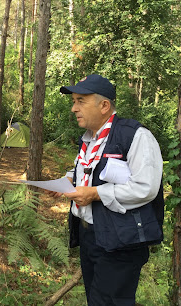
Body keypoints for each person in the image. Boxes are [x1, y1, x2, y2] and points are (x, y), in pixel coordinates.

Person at [49, 74, 164, 305]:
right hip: (90, 236)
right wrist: (68, 181)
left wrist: (95, 194)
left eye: (80, 101)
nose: (74, 108)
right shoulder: (89, 139)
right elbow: (90, 172)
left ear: (104, 105)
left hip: (120, 240)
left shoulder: (135, 136)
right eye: (73, 101)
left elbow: (146, 188)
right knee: (95, 299)